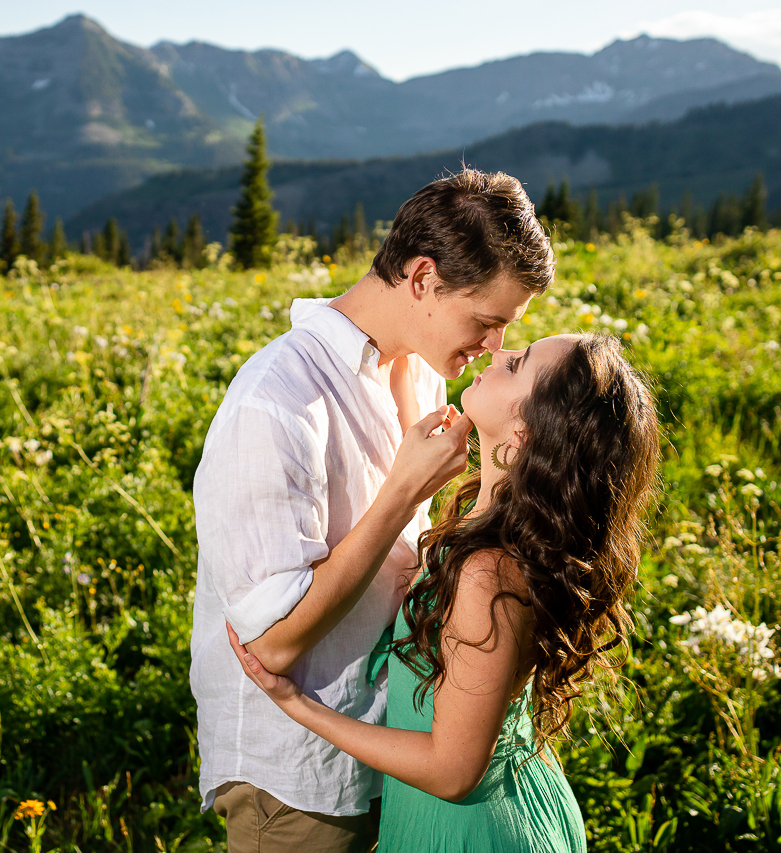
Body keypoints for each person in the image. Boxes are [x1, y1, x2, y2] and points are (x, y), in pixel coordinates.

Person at [190, 169, 554, 853]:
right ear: (422, 277)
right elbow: (271, 644)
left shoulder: (419, 368)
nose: (494, 347)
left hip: (394, 759)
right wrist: (401, 495)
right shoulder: (276, 400)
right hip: (300, 783)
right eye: (486, 320)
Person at [229, 333, 661, 852]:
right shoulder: (496, 526)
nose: (500, 352)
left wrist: (298, 705)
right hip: (505, 808)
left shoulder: (488, 573)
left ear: (525, 431)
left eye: (518, 363)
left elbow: (452, 771)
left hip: (473, 832)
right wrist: (404, 358)